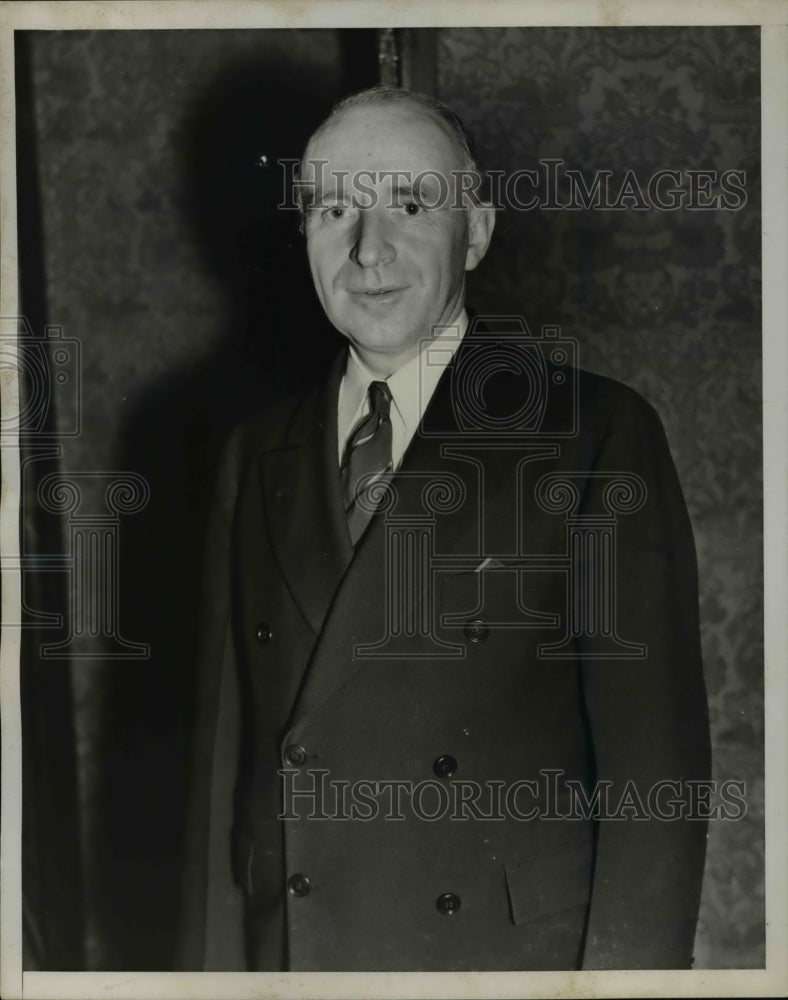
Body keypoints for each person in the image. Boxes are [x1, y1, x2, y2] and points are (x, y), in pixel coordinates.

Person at [179, 85, 711, 972]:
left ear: (476, 230)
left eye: (411, 205)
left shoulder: (591, 434)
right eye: (335, 209)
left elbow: (655, 782)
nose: (368, 250)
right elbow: (220, 783)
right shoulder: (253, 453)